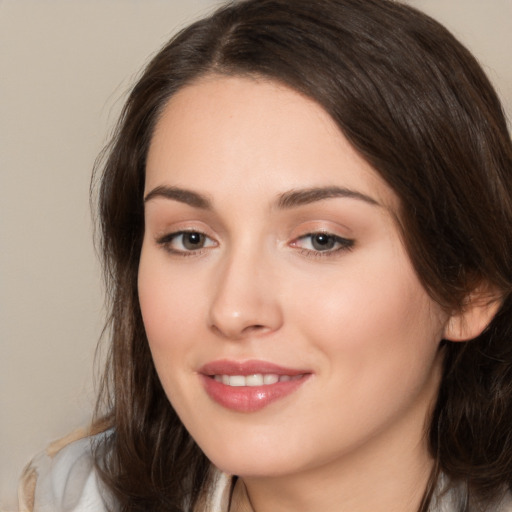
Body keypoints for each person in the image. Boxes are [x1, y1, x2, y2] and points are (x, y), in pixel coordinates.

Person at [19, 0, 512, 511]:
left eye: (321, 240)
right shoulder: (75, 497)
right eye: (190, 238)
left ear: (470, 286)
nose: (232, 310)